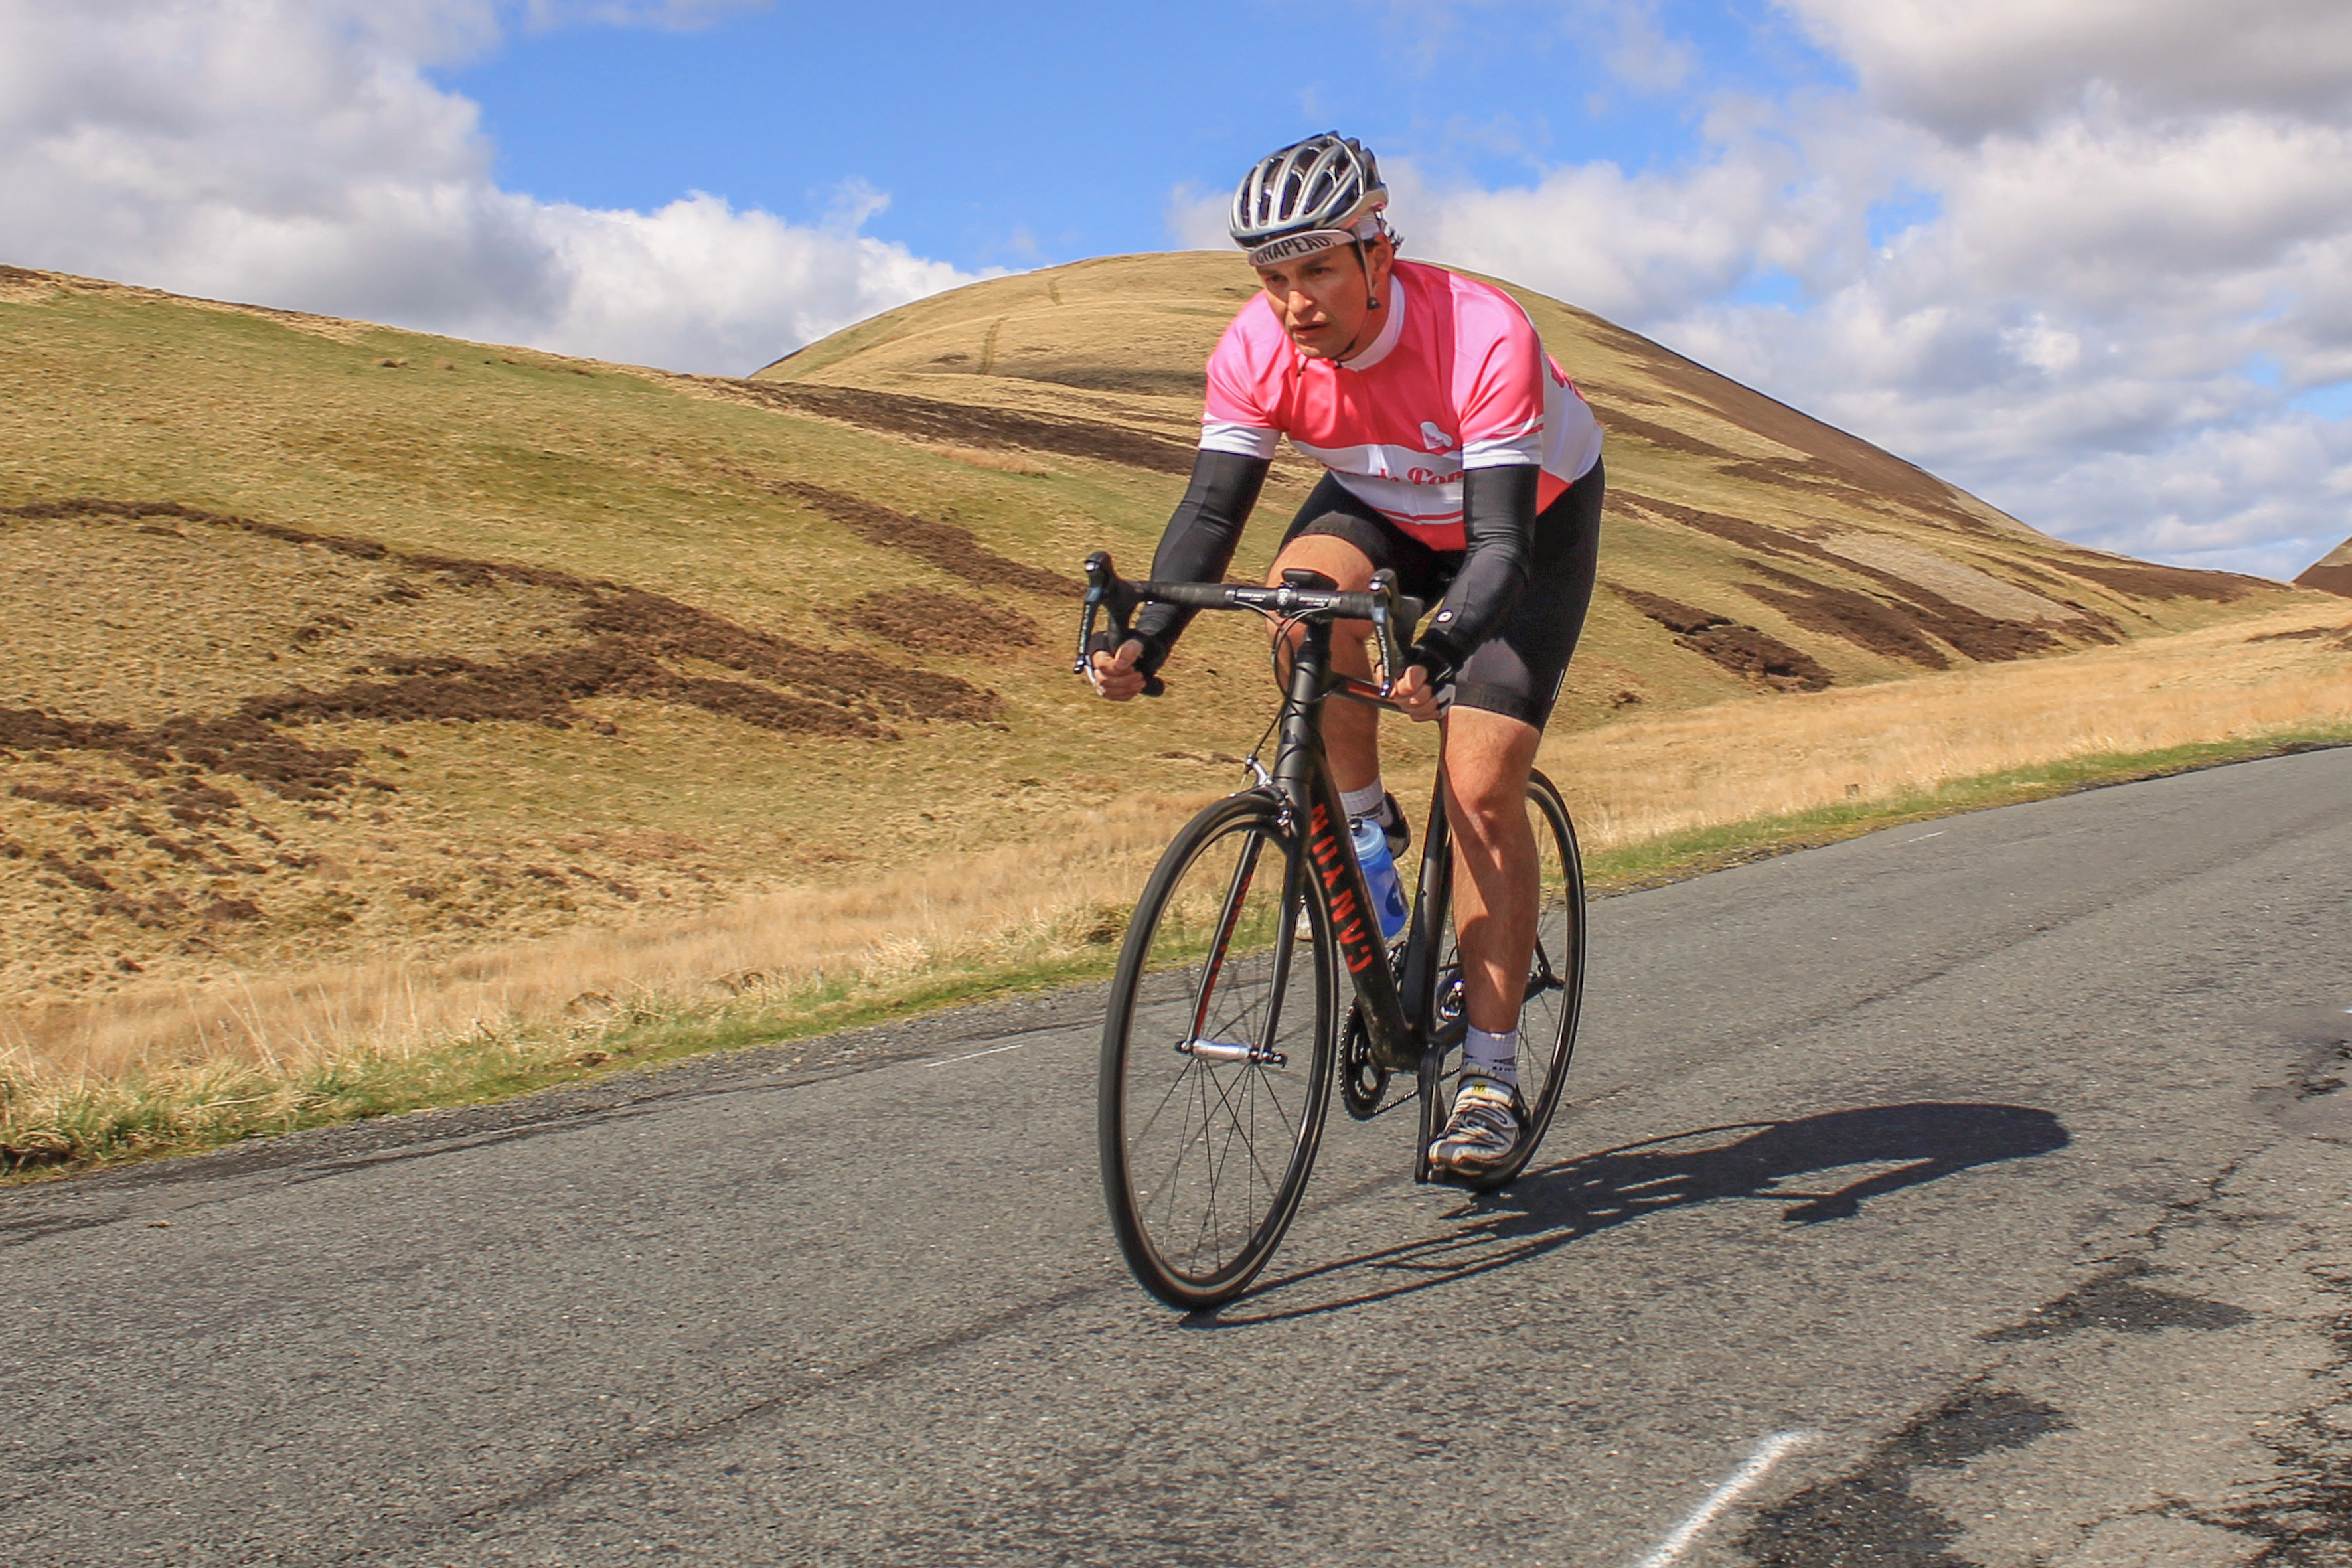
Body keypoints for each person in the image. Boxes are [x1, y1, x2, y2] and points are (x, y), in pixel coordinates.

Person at [1087, 132, 1604, 1178]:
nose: (1294, 303)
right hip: (1384, 505)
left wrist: (1442, 646)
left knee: (1480, 787)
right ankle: (1369, 844)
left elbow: (1498, 548)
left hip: (1524, 525)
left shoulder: (1481, 335)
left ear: (1378, 252)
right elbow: (1210, 513)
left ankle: (1490, 1079)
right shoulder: (1255, 347)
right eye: (1272, 277)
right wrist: (1145, 636)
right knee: (1297, 611)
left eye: (1318, 269)